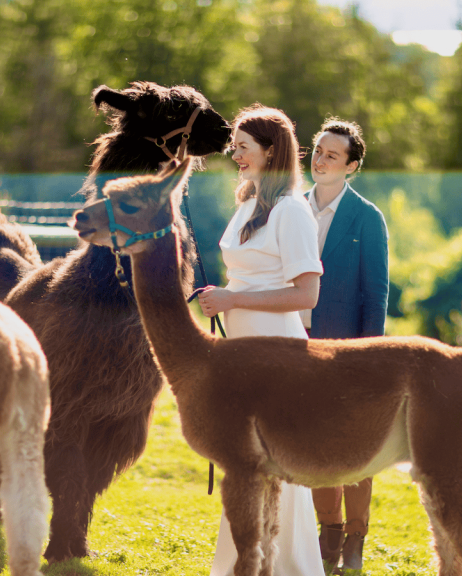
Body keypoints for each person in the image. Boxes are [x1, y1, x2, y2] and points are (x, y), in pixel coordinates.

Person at [196, 104, 325, 576]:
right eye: (234, 147)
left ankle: (287, 566)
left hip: (278, 352)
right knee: (246, 465)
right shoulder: (248, 203)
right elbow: (245, 280)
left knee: (274, 465)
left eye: (243, 148)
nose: (235, 155)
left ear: (271, 152)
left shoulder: (292, 211)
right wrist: (223, 297)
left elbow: (306, 293)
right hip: (242, 349)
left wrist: (234, 301)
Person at [300, 118, 389, 573]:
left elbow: (376, 295)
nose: (320, 159)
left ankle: (355, 540)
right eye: (317, 150)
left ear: (351, 166)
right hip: (298, 346)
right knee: (313, 446)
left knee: (354, 449)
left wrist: (370, 359)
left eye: (332, 155)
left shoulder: (367, 217)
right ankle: (328, 536)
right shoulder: (292, 209)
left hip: (349, 352)